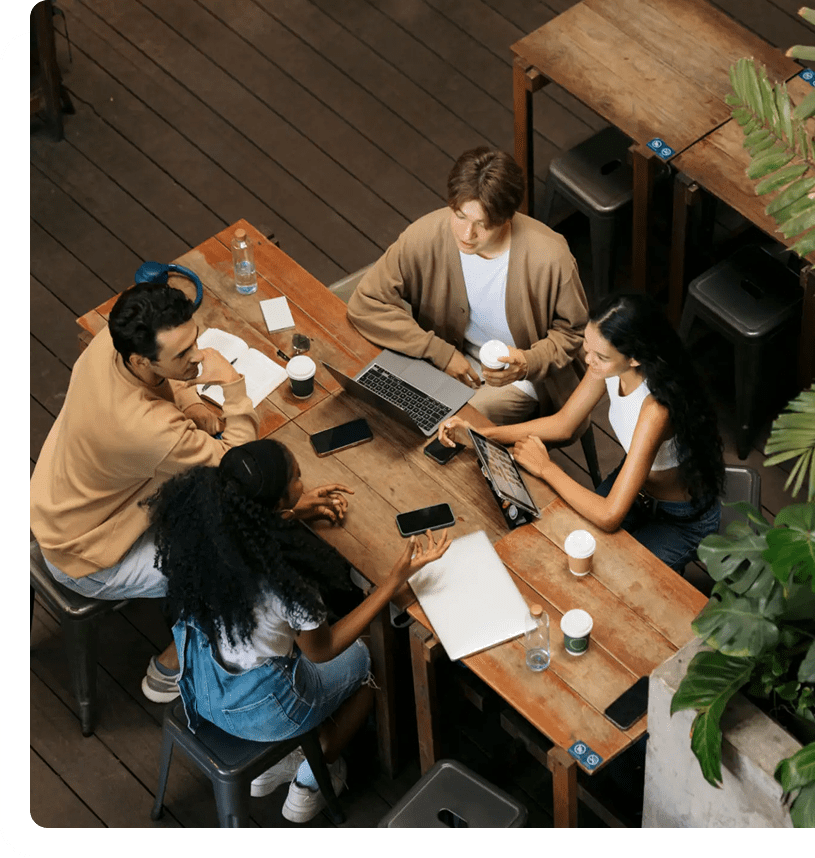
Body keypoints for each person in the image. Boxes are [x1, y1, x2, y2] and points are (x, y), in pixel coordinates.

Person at [144, 439, 451, 823]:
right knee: (369, 655)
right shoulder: (288, 586)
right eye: (297, 478)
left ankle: (275, 761)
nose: (303, 482)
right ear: (274, 501)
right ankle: (312, 775)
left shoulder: (200, 542)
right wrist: (391, 584)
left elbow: (249, 529)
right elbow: (324, 650)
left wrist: (287, 512)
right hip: (268, 709)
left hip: (205, 694)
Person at [29, 282, 260, 703]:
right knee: (233, 557)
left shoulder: (110, 342)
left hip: (56, 504)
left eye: (195, 341)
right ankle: (171, 667)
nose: (197, 357)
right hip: (86, 555)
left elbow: (167, 382)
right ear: (141, 359)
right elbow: (237, 462)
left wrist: (189, 400)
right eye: (183, 355)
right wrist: (233, 384)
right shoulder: (148, 430)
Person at [440, 294, 725, 571]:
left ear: (635, 358)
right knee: (570, 549)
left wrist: (545, 468)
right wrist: (485, 433)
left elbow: (610, 515)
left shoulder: (655, 409)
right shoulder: (606, 365)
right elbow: (564, 423)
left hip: (679, 519)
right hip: (636, 491)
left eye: (600, 356)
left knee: (611, 578)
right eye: (587, 347)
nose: (589, 360)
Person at [347, 146, 589, 427]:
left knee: (449, 422)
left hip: (522, 378)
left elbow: (573, 333)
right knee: (385, 402)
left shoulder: (550, 258)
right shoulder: (427, 235)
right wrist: (440, 352)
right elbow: (366, 302)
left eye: (481, 225)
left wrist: (526, 361)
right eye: (459, 215)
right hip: (447, 361)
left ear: (507, 218)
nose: (466, 234)